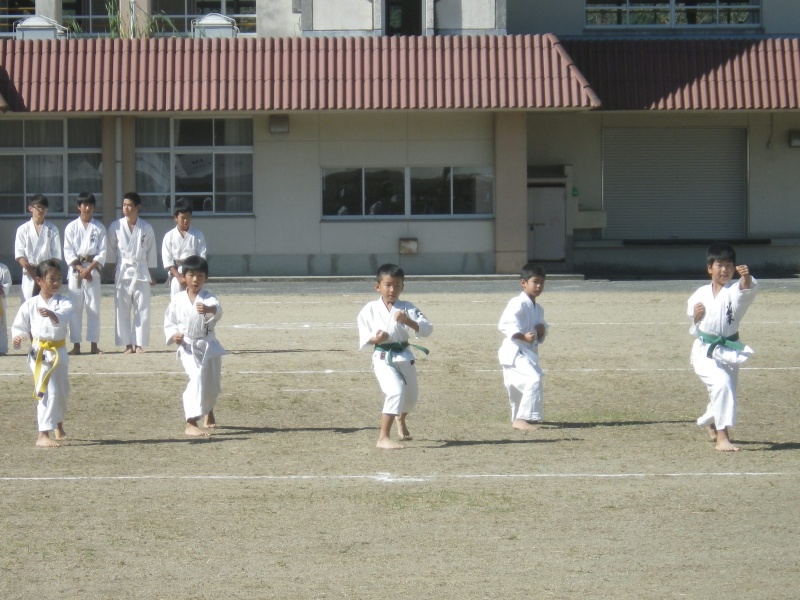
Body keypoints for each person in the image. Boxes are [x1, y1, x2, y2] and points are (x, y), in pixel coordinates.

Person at [688, 242, 758, 452]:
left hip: (729, 350)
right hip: (704, 350)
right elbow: (694, 325)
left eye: (729, 265)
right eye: (720, 265)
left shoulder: (734, 291)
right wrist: (696, 317)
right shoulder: (700, 293)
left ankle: (709, 421)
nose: (725, 270)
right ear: (710, 268)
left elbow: (745, 289)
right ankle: (722, 437)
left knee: (725, 391)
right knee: (722, 384)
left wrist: (746, 278)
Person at [357, 263, 432, 449]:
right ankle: (383, 437)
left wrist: (409, 321)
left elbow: (427, 328)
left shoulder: (407, 308)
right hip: (383, 357)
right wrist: (377, 339)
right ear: (378, 287)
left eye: (397, 286)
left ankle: (401, 417)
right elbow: (364, 336)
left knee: (411, 399)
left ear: (402, 287)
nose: (392, 290)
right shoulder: (370, 309)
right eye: (388, 285)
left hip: (404, 356)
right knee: (395, 391)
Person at [11, 260, 74, 448]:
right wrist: (18, 337)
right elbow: (19, 326)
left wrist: (52, 314)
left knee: (62, 392)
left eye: (59, 279)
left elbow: (64, 317)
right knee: (47, 390)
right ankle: (42, 434)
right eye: (51, 279)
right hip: (39, 352)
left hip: (58, 350)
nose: (56, 282)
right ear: (39, 281)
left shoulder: (65, 302)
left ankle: (58, 424)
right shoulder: (30, 304)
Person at [163, 255, 226, 437]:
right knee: (197, 376)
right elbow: (170, 322)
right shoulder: (178, 299)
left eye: (200, 276)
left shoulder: (208, 297)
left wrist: (208, 310)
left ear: (206, 278)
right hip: (188, 346)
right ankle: (190, 422)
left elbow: (217, 310)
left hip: (208, 345)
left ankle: (208, 410)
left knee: (212, 385)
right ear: (184, 277)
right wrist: (174, 335)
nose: (195, 280)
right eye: (191, 275)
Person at [498, 263, 548, 431]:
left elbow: (542, 327)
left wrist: (541, 330)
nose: (539, 286)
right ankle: (522, 419)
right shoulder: (517, 303)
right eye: (535, 282)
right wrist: (523, 337)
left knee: (518, 387)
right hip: (514, 352)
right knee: (533, 379)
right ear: (523, 283)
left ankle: (520, 417)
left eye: (542, 282)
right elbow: (506, 325)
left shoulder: (538, 309)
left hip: (526, 353)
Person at [106, 191, 157, 354]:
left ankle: (139, 343)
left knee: (142, 308)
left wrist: (150, 274)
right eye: (124, 205)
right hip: (123, 269)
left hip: (140, 269)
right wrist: (112, 269)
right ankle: (127, 344)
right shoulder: (115, 226)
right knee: (122, 308)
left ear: (137, 207)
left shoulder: (146, 227)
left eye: (129, 205)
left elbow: (151, 252)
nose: (126, 208)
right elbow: (110, 249)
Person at [63, 192, 107, 355]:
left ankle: (94, 345)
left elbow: (102, 252)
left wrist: (89, 268)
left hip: (93, 272)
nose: (87, 208)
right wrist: (81, 268)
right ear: (79, 207)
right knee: (75, 309)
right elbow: (68, 251)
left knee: (93, 308)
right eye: (84, 205)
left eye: (90, 205)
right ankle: (76, 345)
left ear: (94, 207)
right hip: (76, 272)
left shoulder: (99, 228)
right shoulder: (71, 227)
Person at [14, 194, 62, 301]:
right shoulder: (22, 229)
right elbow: (20, 255)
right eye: (38, 207)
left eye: (44, 208)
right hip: (29, 272)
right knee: (28, 304)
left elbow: (56, 255)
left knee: (48, 304)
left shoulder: (52, 229)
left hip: (47, 274)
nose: (41, 210)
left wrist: (45, 273)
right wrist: (34, 275)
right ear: (30, 208)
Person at [161, 199, 208, 298]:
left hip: (193, 272)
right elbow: (167, 259)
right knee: (177, 299)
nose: (186, 221)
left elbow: (201, 257)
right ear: (176, 218)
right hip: (177, 272)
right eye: (183, 218)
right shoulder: (169, 236)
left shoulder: (198, 235)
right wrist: (178, 276)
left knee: (195, 299)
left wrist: (196, 275)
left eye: (188, 217)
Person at [0, 261, 10, 355]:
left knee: (1, 325)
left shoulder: (3, 268)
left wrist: (2, 289)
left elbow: (7, 283)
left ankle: (1, 348)